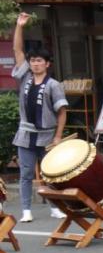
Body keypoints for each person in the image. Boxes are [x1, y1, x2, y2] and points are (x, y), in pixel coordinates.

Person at [10, 12, 68, 223]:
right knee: (26, 173)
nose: (35, 64)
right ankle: (26, 209)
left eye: (39, 61)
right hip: (25, 134)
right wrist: (19, 26)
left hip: (46, 135)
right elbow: (17, 50)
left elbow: (62, 111)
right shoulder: (25, 76)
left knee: (50, 173)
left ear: (47, 64)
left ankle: (55, 206)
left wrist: (58, 136)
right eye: (33, 60)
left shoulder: (53, 85)